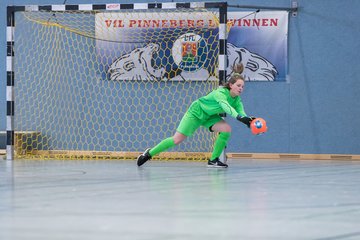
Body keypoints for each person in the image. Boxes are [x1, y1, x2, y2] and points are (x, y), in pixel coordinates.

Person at [137, 64, 255, 168]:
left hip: (209, 116)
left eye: (242, 87)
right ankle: (149, 153)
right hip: (196, 112)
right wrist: (240, 118)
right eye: (238, 85)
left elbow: (241, 113)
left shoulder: (237, 100)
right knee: (177, 140)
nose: (241, 88)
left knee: (226, 129)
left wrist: (249, 120)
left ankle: (213, 160)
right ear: (230, 85)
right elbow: (226, 107)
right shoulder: (220, 93)